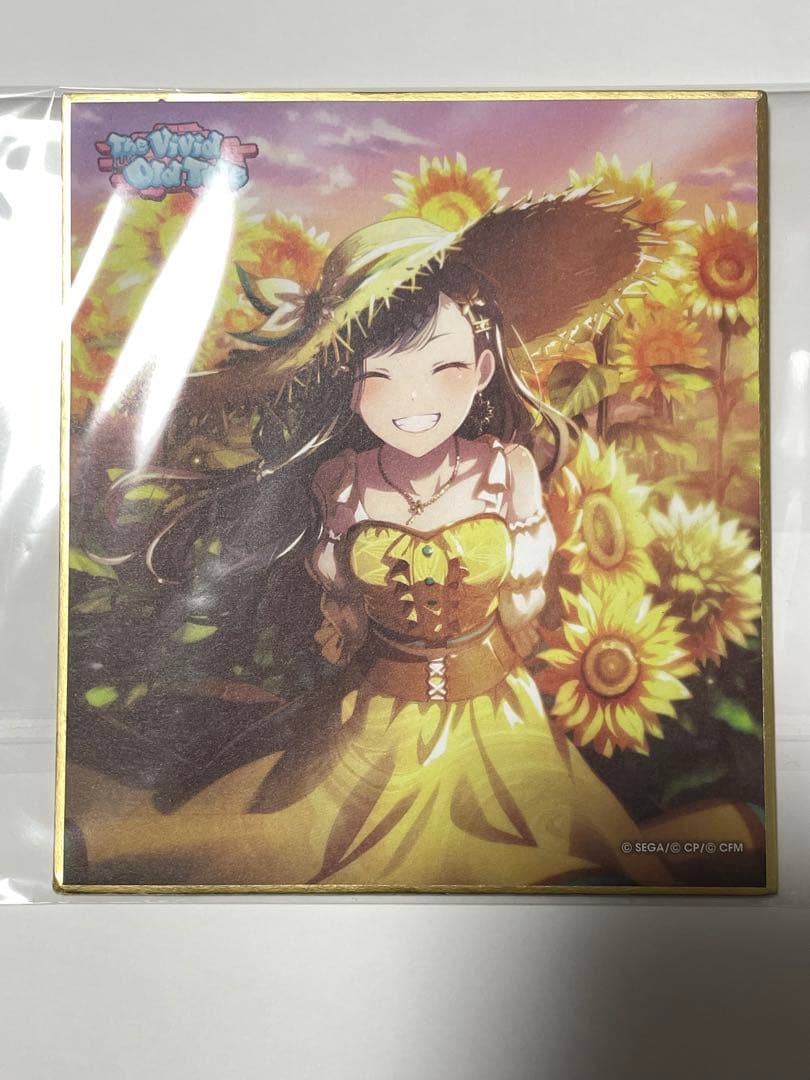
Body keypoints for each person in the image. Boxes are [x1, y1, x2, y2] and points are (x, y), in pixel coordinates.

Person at [66, 197, 682, 888]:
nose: (413, 400)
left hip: (499, 718)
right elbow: (333, 587)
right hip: (372, 720)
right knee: (305, 844)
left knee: (541, 844)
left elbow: (527, 585)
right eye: (381, 377)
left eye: (443, 369)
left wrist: (512, 608)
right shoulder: (342, 481)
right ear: (351, 387)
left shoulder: (504, 468)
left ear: (482, 369)